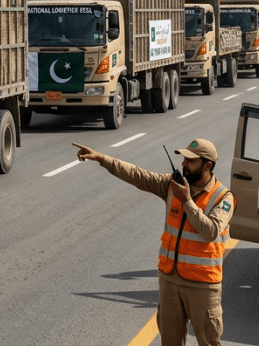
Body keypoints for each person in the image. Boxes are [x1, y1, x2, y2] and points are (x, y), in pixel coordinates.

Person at [74, 139, 235, 346]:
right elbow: (137, 175)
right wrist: (102, 159)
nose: (184, 163)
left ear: (207, 166)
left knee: (208, 342)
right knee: (169, 341)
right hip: (170, 281)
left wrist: (186, 200)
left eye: (191, 161)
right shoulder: (171, 185)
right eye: (184, 158)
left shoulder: (224, 197)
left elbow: (210, 231)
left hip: (203, 287)